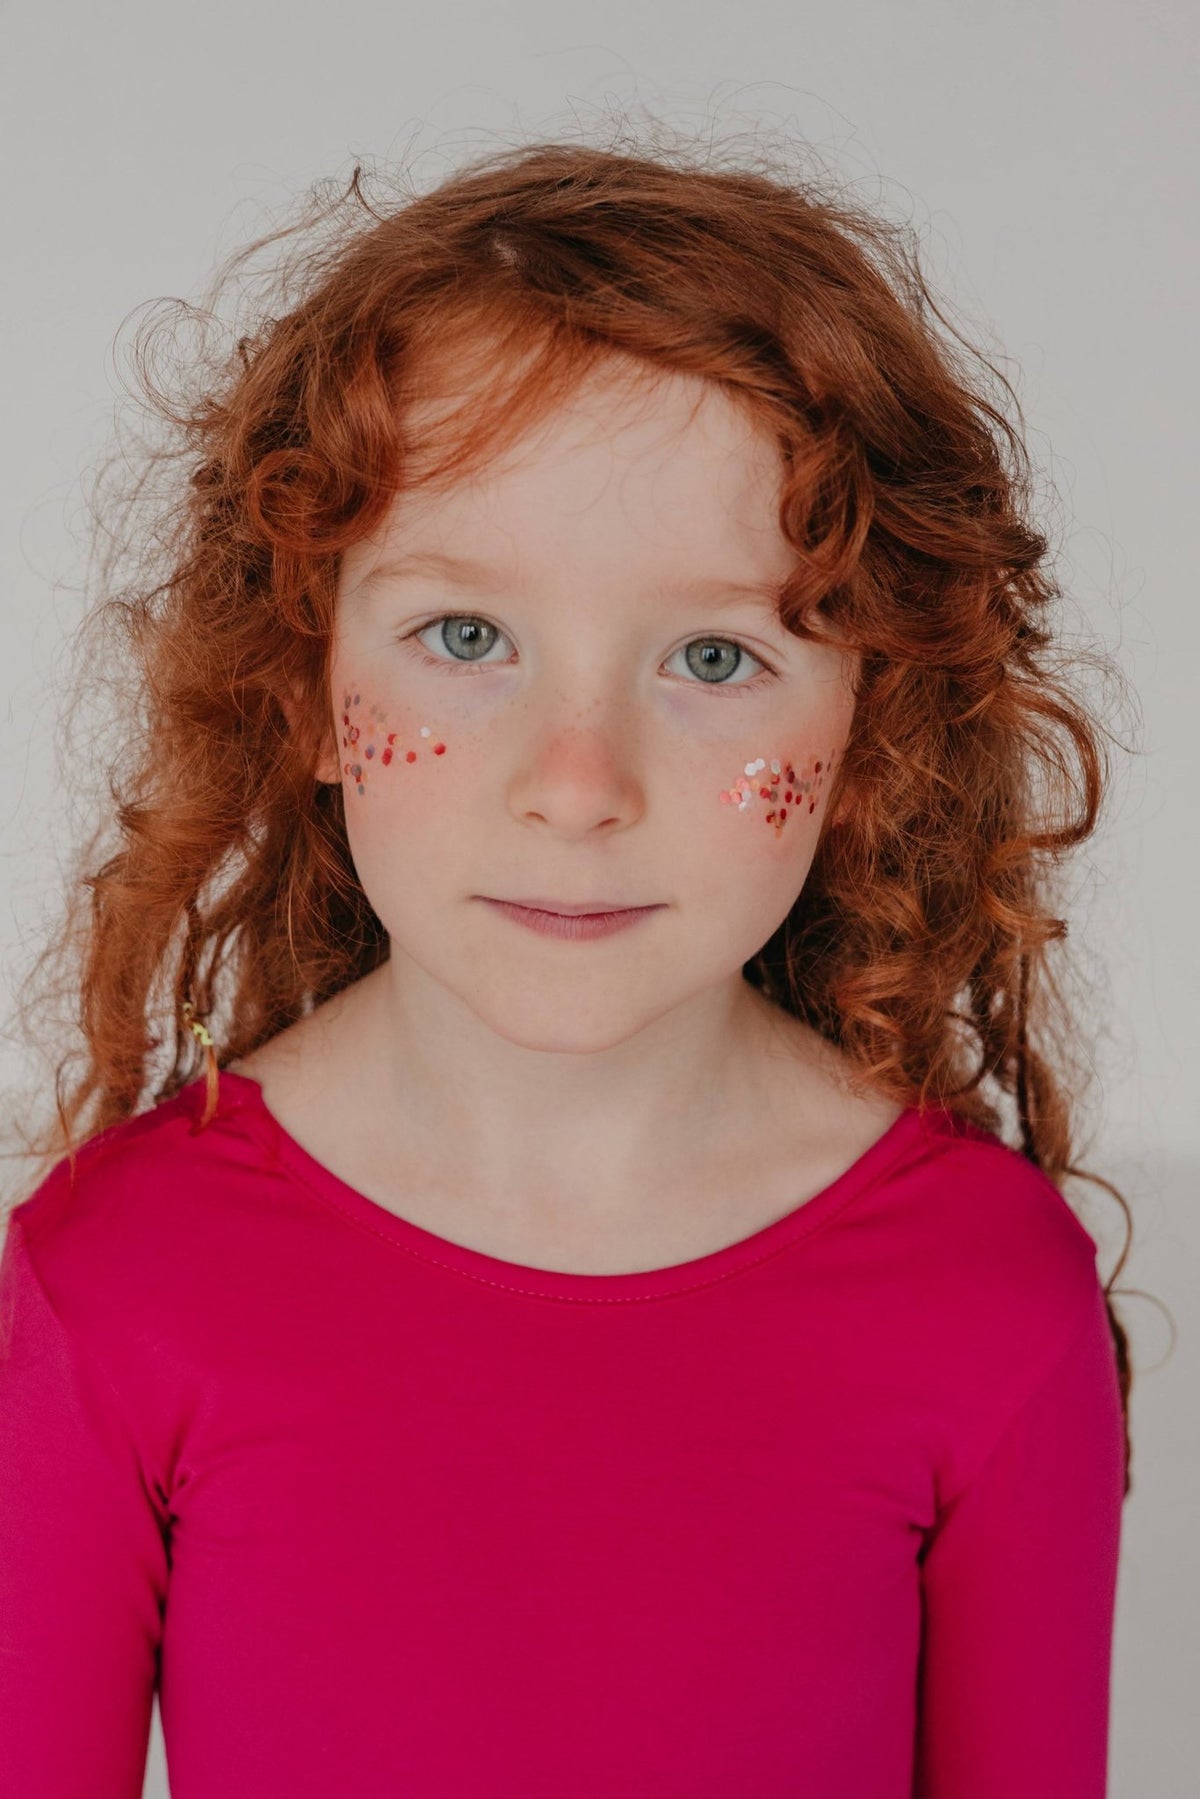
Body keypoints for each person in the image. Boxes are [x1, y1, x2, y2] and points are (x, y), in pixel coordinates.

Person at [0, 135, 1133, 1796]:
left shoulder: (988, 1297)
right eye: (466, 640)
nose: (578, 784)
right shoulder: (109, 1285)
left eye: (716, 656)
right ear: (304, 684)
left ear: (871, 726)